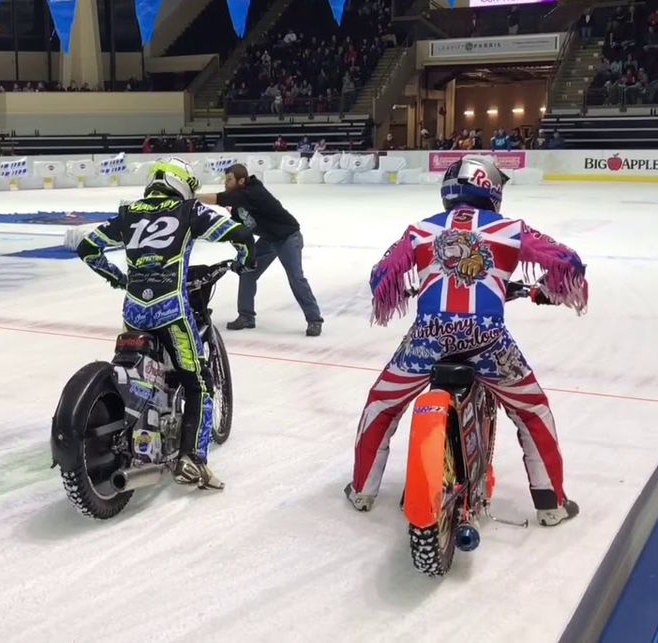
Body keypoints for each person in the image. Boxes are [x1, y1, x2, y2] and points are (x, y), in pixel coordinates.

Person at [345, 155, 587, 527]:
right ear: (490, 188)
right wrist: (547, 290)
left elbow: (381, 277)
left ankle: (363, 489)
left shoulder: (420, 230)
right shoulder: (510, 228)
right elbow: (568, 262)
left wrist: (414, 286)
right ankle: (550, 502)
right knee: (532, 411)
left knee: (382, 404)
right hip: (488, 342)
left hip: (427, 341)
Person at [77, 158, 255, 489]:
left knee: (136, 372)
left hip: (134, 312)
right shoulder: (189, 211)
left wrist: (117, 277)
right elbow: (241, 234)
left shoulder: (129, 213)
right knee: (198, 383)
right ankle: (193, 459)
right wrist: (245, 261)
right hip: (171, 310)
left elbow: (87, 248)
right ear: (182, 185)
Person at [197, 164, 324, 336]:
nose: (226, 183)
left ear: (241, 180)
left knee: (296, 277)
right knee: (247, 270)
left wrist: (191, 197)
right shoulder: (238, 203)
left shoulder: (253, 192)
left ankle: (314, 319)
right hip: (269, 239)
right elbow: (238, 230)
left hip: (287, 237)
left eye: (229, 180)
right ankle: (246, 316)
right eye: (225, 180)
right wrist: (243, 255)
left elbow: (220, 199)